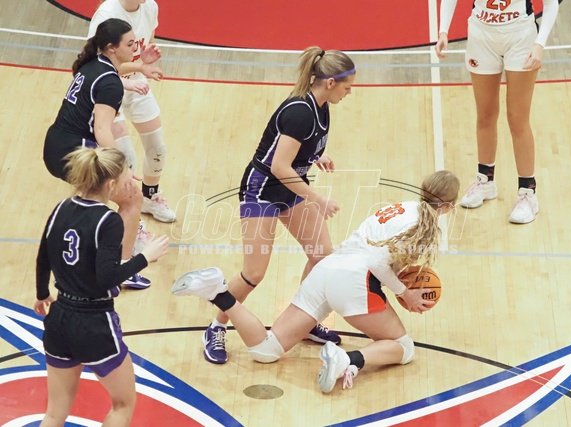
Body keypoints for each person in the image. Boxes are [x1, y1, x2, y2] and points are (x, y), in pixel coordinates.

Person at [172, 170, 459, 393]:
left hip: (328, 269)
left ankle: (218, 292)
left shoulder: (402, 206)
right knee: (403, 347)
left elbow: (376, 255)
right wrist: (404, 292)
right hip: (354, 282)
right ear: (448, 206)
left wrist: (396, 282)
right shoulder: (424, 224)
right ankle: (348, 360)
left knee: (266, 350)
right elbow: (376, 262)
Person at [198, 46, 356, 364]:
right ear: (330, 83)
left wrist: (316, 156)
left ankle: (304, 322)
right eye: (347, 87)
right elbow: (279, 166)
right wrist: (318, 199)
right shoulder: (299, 112)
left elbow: (294, 150)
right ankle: (216, 326)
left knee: (321, 256)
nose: (349, 93)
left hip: (290, 186)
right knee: (253, 273)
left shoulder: (322, 107)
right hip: (263, 189)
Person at [35, 147, 169, 426]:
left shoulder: (61, 207)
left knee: (54, 413)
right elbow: (107, 278)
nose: (131, 183)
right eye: (127, 178)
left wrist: (42, 293)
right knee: (123, 404)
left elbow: (43, 255)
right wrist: (145, 257)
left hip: (59, 319)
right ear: (110, 185)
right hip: (94, 322)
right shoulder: (108, 221)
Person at [43, 18, 152, 289]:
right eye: (130, 44)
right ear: (112, 48)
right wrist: (121, 169)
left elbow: (111, 77)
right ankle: (122, 271)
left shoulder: (93, 64)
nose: (136, 47)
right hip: (76, 151)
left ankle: (73, 259)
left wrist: (134, 74)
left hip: (57, 146)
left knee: (89, 201)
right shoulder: (110, 83)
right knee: (132, 197)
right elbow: (103, 130)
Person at [436, 0, 559, 224]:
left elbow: (551, 4)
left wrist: (540, 44)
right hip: (481, 36)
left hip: (520, 37)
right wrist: (443, 29)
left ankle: (528, 193)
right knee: (485, 115)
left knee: (518, 119)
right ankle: (486, 181)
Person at [89, 0, 176, 224]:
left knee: (157, 148)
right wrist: (140, 67)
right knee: (125, 158)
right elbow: (97, 65)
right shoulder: (107, 15)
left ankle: (149, 197)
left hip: (137, 84)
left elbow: (148, 41)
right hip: (109, 87)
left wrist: (147, 55)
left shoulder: (150, 7)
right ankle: (129, 217)